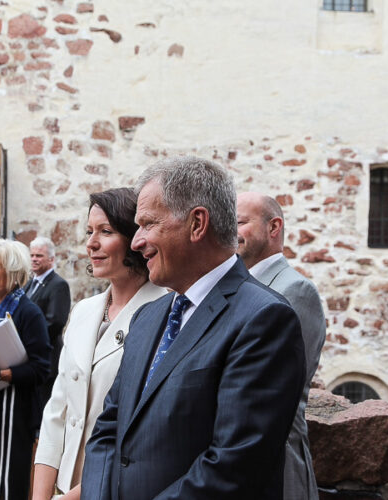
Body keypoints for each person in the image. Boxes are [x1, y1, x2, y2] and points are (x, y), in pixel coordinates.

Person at [81, 156, 306, 499]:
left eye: (148, 224)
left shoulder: (264, 319)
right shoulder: (148, 318)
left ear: (197, 223)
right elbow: (109, 430)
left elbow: (235, 464)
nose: (137, 241)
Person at [32, 188, 167, 500]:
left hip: (117, 489)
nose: (91, 243)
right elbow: (57, 412)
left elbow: (141, 435)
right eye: (89, 231)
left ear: (135, 238)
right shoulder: (83, 312)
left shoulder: (165, 313)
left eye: (106, 232)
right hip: (62, 484)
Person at [236, 191, 326, 500]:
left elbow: (278, 388)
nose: (230, 231)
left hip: (276, 466)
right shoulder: (234, 288)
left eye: (240, 222)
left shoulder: (295, 290)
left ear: (273, 228)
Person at [0, 239, 51, 499]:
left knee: (9, 482)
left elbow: (40, 369)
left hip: (14, 412)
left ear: (11, 271)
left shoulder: (28, 312)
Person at [24, 236, 72, 405]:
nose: (34, 259)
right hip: (30, 358)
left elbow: (55, 322)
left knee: (44, 407)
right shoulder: (30, 284)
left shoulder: (58, 285)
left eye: (39, 256)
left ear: (51, 259)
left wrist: (27, 338)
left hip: (47, 358)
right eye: (32, 255)